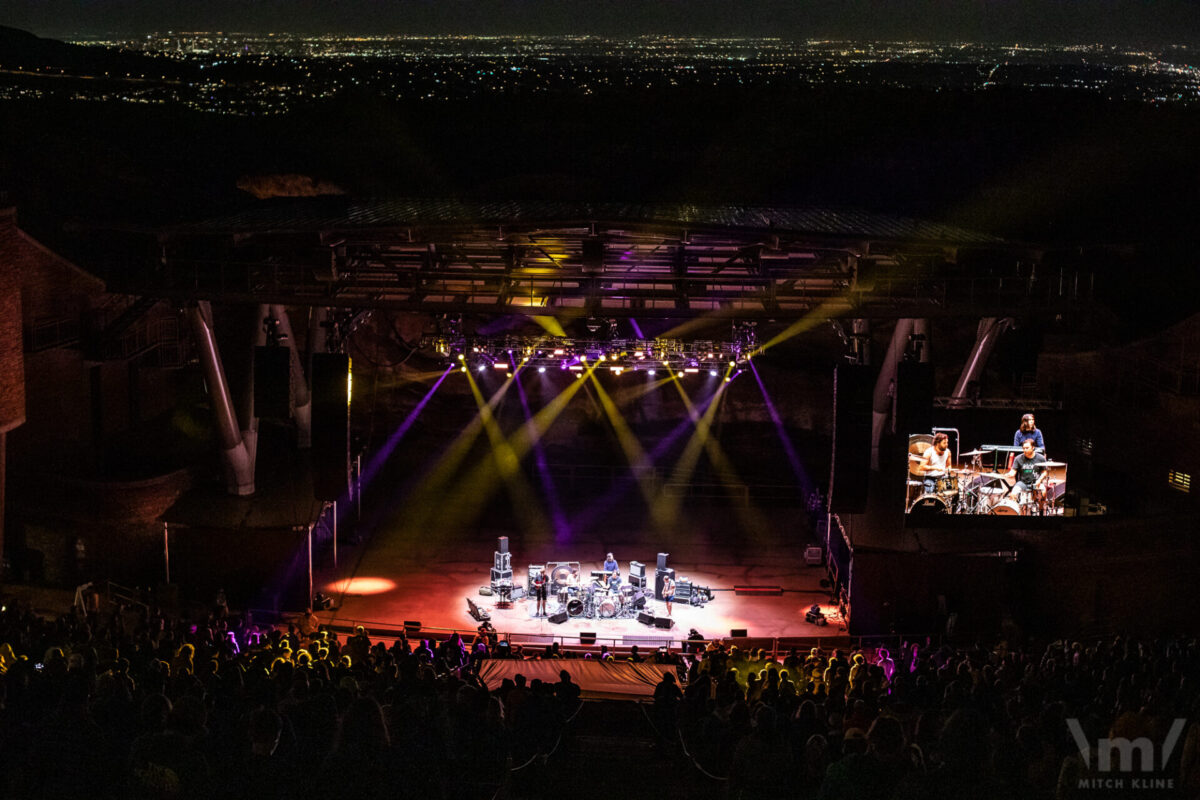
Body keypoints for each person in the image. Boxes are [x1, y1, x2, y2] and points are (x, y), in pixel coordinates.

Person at [1005, 438, 1047, 502]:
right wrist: (1008, 474)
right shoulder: (1018, 458)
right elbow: (1013, 472)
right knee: (1013, 494)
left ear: (1033, 447)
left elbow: (1044, 472)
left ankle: (1041, 511)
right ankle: (1018, 510)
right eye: (1023, 448)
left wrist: (1039, 480)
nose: (1025, 450)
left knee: (1043, 493)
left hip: (1036, 482)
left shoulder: (1041, 458)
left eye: (1027, 448)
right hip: (1023, 482)